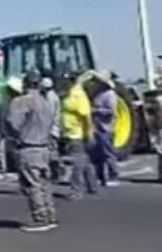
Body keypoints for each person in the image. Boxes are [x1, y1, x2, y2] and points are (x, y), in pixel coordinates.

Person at [7, 72, 58, 232]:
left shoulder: (22, 101)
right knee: (44, 184)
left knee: (33, 184)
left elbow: (13, 124)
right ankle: (50, 215)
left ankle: (40, 218)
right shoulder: (46, 101)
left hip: (29, 146)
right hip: (44, 146)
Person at [62, 73, 97, 199]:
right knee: (85, 160)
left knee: (77, 163)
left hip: (77, 133)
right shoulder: (71, 93)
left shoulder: (78, 95)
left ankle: (76, 190)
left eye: (67, 80)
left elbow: (86, 116)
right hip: (72, 132)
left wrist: (89, 133)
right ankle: (92, 186)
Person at [89, 71, 120, 187]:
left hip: (106, 128)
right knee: (97, 153)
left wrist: (96, 111)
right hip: (98, 127)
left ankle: (114, 175)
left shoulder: (110, 95)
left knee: (108, 152)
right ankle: (100, 176)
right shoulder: (99, 94)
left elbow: (111, 112)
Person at [41, 78, 63, 182]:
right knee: (52, 151)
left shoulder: (49, 97)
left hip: (50, 129)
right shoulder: (54, 96)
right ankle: (54, 171)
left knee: (51, 152)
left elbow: (49, 114)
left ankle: (55, 172)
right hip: (54, 128)